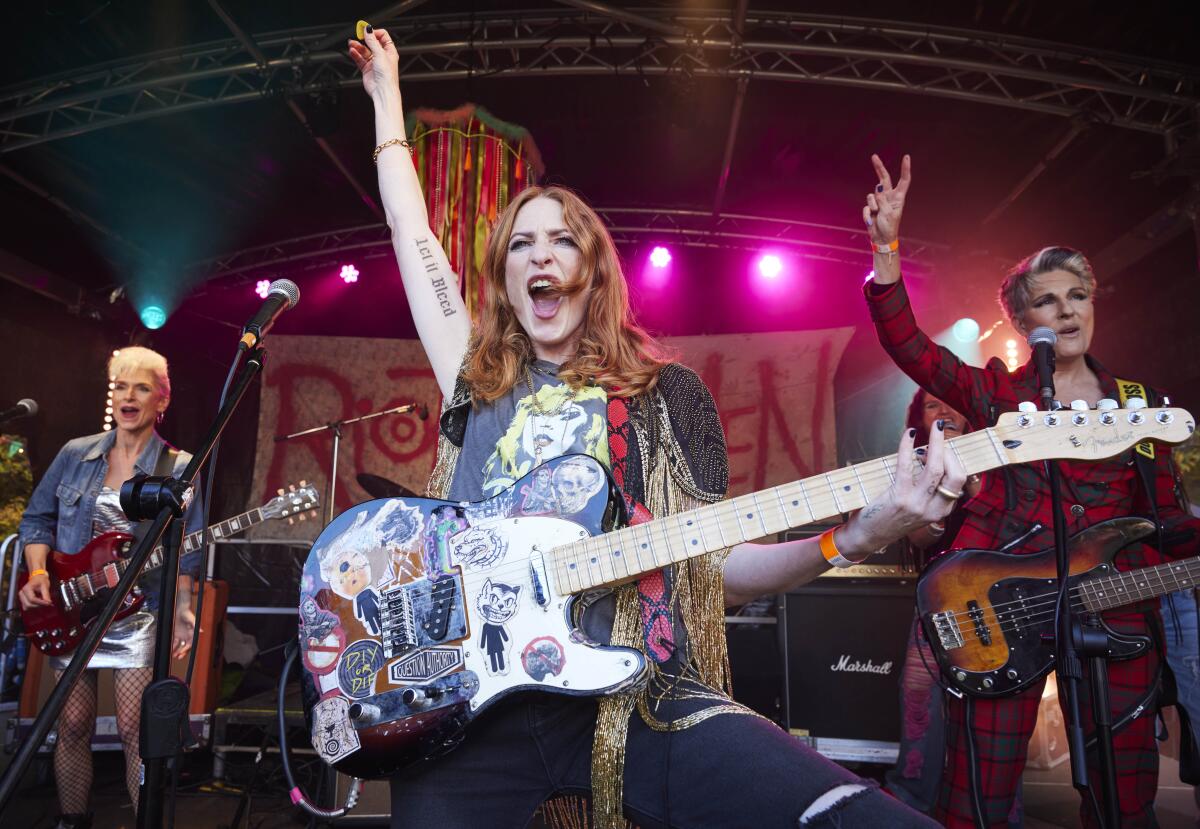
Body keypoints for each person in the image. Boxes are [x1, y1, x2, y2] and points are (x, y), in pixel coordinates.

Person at [350, 26, 968, 829]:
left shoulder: (661, 400)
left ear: (592, 270)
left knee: (862, 817)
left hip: (628, 699)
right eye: (522, 245)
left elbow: (712, 565)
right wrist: (387, 97)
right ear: (504, 277)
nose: (542, 257)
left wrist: (850, 539)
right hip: (471, 714)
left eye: (562, 240)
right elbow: (412, 233)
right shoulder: (475, 376)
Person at [861, 153, 1200, 828]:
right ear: (1022, 319)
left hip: (1115, 616)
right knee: (976, 801)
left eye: (1077, 294)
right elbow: (913, 349)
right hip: (1003, 607)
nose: (1066, 309)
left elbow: (1167, 523)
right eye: (1047, 298)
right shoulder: (995, 392)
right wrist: (886, 251)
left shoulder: (1140, 404)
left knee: (1125, 805)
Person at [17, 347, 203, 829]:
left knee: (134, 731)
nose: (128, 396)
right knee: (72, 725)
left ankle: (145, 822)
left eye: (141, 387)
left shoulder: (177, 465)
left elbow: (186, 548)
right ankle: (72, 820)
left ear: (161, 401)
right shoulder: (76, 454)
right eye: (120, 386)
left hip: (137, 611)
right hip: (74, 605)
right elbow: (37, 519)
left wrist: (183, 609)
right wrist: (38, 574)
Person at [885, 390, 981, 815]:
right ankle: (911, 802)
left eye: (950, 402)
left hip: (999, 599)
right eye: (931, 406)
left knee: (988, 710)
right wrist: (943, 498)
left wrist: (980, 486)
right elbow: (920, 536)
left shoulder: (998, 455)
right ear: (919, 422)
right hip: (940, 601)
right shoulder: (917, 468)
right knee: (919, 695)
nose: (944, 411)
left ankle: (986, 804)